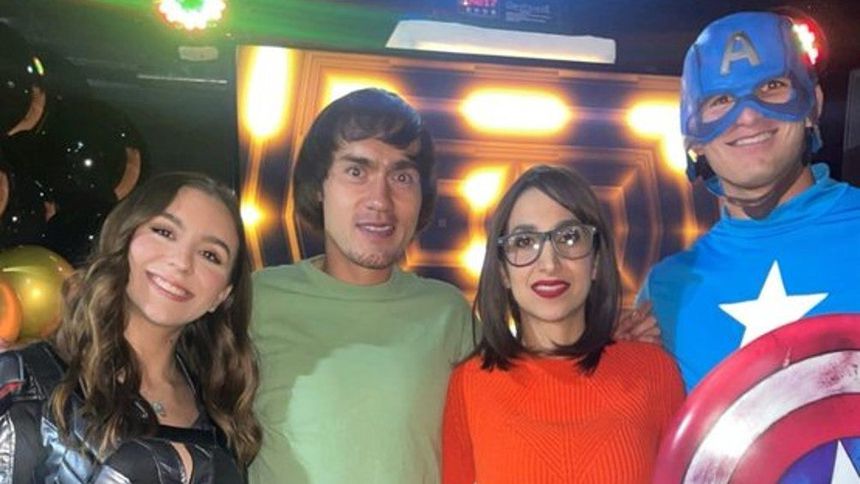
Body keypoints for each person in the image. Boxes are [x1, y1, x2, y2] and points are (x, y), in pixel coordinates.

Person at [249, 88, 473, 483]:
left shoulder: (448, 313)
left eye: (401, 177)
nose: (380, 200)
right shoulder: (257, 299)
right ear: (319, 186)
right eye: (356, 172)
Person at [639, 11, 860, 392]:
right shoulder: (664, 293)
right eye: (720, 99)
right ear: (693, 138)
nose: (749, 116)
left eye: (772, 86)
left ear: (813, 104)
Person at [0, 172, 261, 482]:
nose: (182, 262)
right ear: (124, 238)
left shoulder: (223, 408)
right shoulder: (26, 380)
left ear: (222, 295)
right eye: (164, 232)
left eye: (210, 255)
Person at [442, 165, 684, 483]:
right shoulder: (470, 384)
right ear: (502, 271)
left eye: (569, 238)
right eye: (524, 241)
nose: (549, 263)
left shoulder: (653, 372)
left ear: (595, 261)